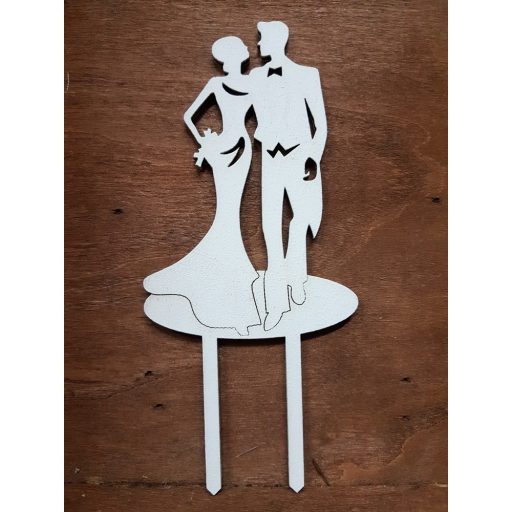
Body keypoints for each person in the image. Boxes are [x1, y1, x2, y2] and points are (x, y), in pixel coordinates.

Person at [143, 36, 260, 335]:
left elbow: (261, 115)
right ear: (232, 57)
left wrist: (208, 142)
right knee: (227, 214)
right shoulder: (219, 84)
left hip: (237, 149)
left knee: (230, 214)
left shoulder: (250, 83)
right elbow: (189, 116)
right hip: (228, 149)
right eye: (242, 49)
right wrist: (206, 143)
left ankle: (227, 282)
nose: (247, 51)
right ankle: (229, 289)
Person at [250, 21, 328, 330]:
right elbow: (239, 105)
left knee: (300, 221)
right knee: (270, 229)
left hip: (298, 158)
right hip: (270, 159)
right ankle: (275, 305)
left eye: (262, 40)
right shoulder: (256, 77)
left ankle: (296, 278)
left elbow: (320, 124)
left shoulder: (307, 75)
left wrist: (312, 156)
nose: (258, 46)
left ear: (276, 41)